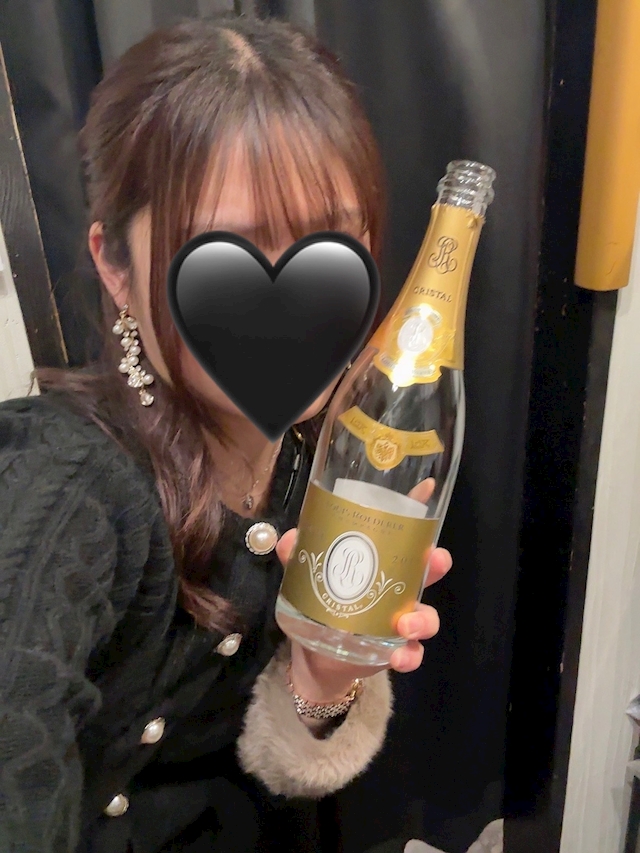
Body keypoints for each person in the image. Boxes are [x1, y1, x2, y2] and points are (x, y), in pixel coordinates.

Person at [0, 15, 453, 853]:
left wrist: (322, 679)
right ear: (116, 266)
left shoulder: (315, 462)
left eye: (331, 237)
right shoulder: (65, 488)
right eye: (226, 246)